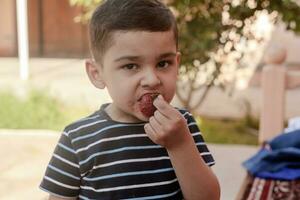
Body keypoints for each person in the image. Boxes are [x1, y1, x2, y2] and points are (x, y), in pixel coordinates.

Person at [39, 0, 220, 199]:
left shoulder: (181, 127)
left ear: (177, 65)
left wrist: (180, 144)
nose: (152, 80)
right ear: (97, 73)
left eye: (163, 63)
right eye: (131, 66)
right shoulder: (77, 139)